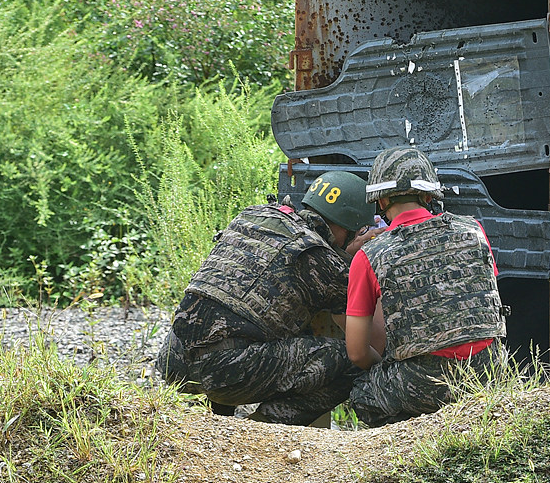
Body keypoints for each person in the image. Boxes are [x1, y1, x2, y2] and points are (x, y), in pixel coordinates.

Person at [156, 171, 381, 425]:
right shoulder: (321, 259)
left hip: (172, 362)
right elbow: (361, 341)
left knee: (239, 324)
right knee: (348, 362)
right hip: (222, 371)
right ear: (350, 227)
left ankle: (222, 424)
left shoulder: (255, 216)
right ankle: (263, 430)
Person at [344, 147, 508, 427]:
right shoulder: (474, 231)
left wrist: (389, 370)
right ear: (429, 196)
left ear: (380, 201)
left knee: (363, 396)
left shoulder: (370, 255)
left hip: (421, 383)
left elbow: (357, 352)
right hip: (488, 371)